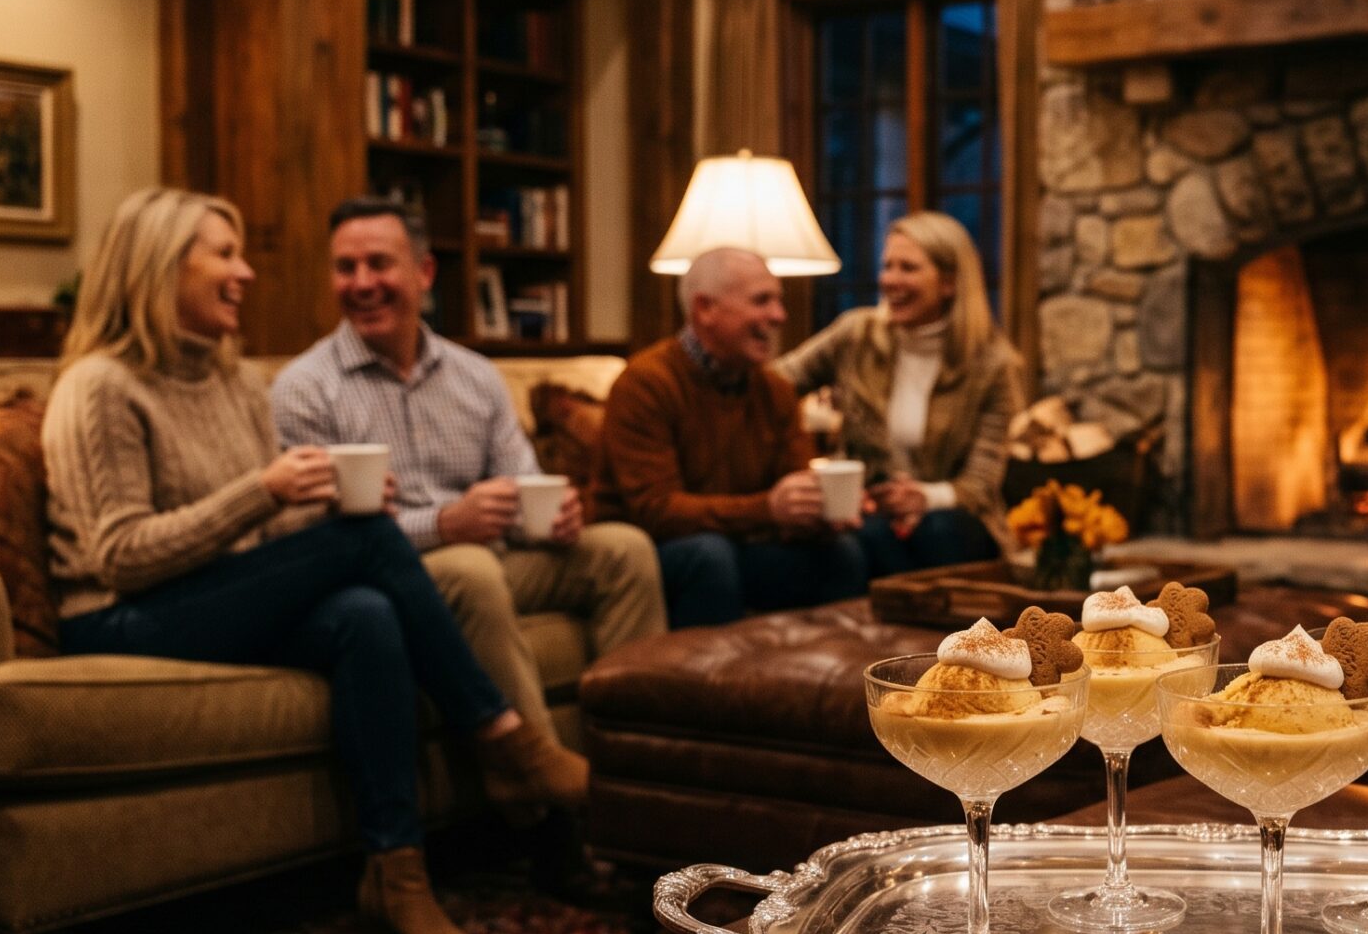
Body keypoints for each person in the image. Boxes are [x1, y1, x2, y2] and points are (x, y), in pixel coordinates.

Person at [42, 187, 590, 934]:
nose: (245, 273)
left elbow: (261, 539)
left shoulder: (232, 381)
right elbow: (119, 556)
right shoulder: (99, 386)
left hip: (210, 595)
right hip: (118, 612)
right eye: (223, 254)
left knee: (366, 610)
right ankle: (505, 736)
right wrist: (265, 490)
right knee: (367, 538)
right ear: (162, 266)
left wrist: (306, 504)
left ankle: (395, 875)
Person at [271, 197, 666, 768]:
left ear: (424, 272)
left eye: (379, 264)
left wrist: (554, 519)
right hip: (400, 573)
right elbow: (315, 539)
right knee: (469, 568)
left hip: (499, 552)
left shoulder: (474, 376)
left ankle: (639, 770)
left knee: (624, 550)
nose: (361, 283)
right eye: (345, 268)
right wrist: (445, 524)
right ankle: (541, 794)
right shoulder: (304, 388)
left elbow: (523, 481)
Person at [591, 246, 869, 628]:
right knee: (708, 554)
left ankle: (832, 682)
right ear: (705, 309)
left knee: (842, 551)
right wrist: (767, 509)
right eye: (762, 301)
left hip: (739, 543)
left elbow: (792, 480)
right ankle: (706, 687)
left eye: (779, 301)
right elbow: (656, 510)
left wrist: (818, 512)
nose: (779, 316)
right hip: (649, 549)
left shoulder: (774, 390)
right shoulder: (646, 384)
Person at [775, 211, 1024, 578]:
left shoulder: (993, 365)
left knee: (937, 531)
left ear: (949, 283)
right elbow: (776, 384)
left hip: (955, 520)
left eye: (907, 268)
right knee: (861, 541)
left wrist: (923, 497)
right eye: (886, 265)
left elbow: (980, 485)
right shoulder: (855, 335)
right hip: (871, 512)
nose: (889, 280)